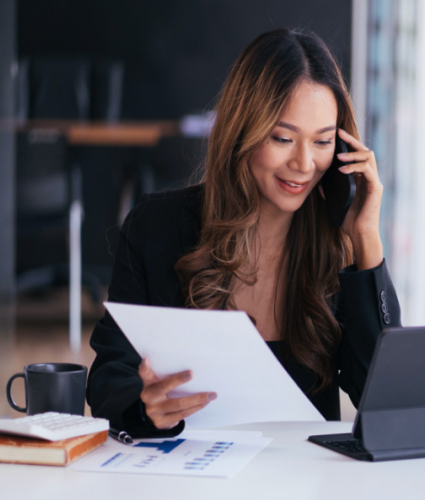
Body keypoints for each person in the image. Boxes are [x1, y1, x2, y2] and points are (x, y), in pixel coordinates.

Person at [86, 28, 401, 438]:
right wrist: (144, 404)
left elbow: (383, 397)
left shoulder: (335, 247)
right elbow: (109, 376)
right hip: (190, 475)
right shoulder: (157, 227)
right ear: (242, 132)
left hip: (303, 479)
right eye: (283, 138)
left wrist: (366, 240)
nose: (305, 163)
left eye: (322, 141)